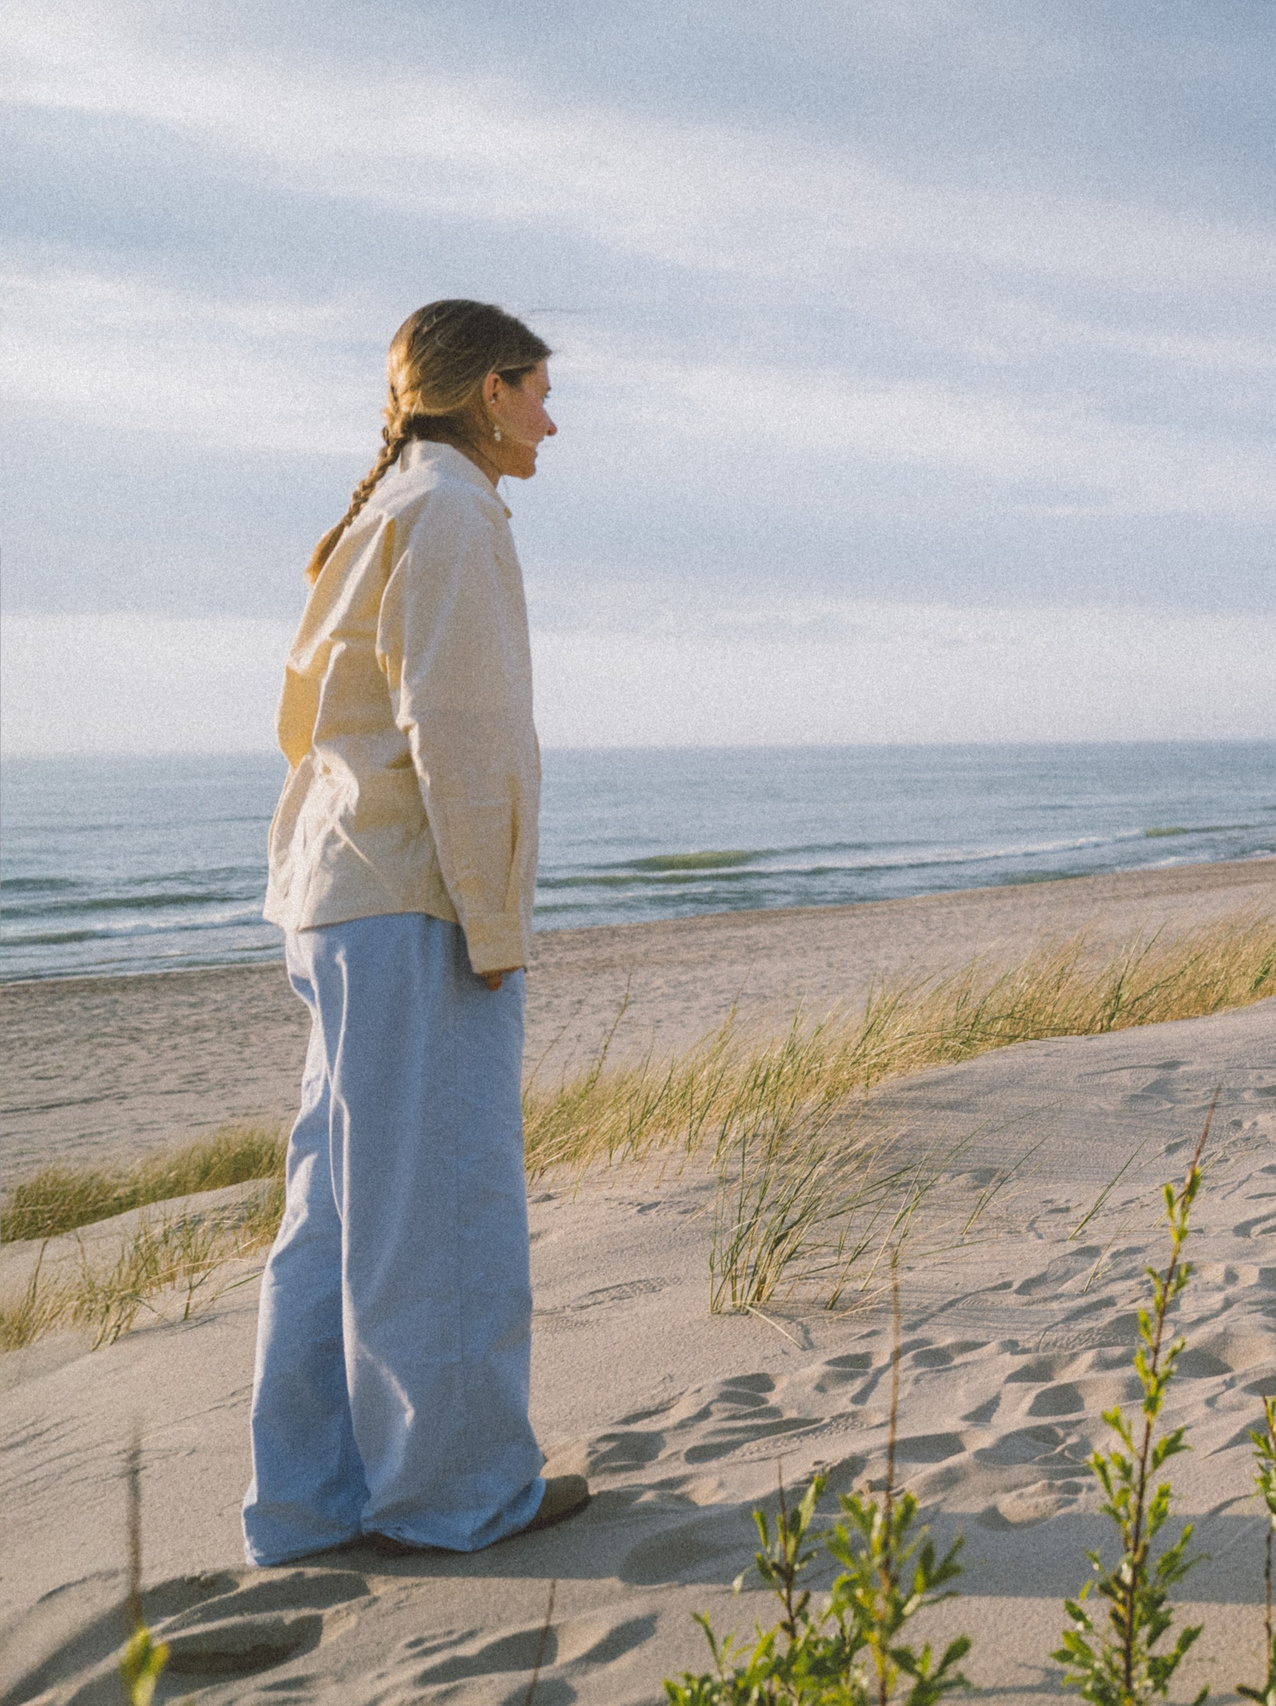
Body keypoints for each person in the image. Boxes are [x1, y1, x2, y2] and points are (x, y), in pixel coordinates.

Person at [245, 300, 586, 1564]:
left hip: (343, 894)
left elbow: (322, 729)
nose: (552, 419)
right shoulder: (445, 510)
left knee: (336, 1210)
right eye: (539, 390)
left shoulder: (394, 504)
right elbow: (462, 732)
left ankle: (312, 1498)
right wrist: (493, 921)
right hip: (405, 899)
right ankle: (455, 1496)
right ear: (488, 392)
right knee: (439, 1207)